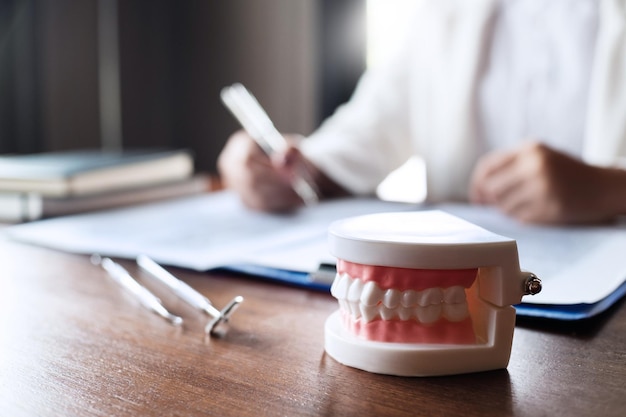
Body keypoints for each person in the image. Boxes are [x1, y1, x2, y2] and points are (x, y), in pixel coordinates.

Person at [218, 0, 626, 224]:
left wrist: (610, 188)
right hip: (465, 302)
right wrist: (283, 167)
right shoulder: (445, 13)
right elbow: (364, 133)